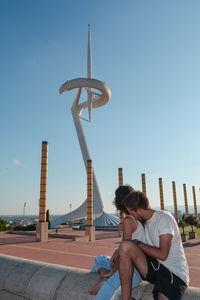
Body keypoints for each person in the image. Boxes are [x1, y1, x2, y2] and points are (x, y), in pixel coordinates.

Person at [118, 188, 189, 300]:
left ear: (139, 211)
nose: (129, 215)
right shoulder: (145, 221)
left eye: (130, 212)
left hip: (174, 272)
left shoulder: (164, 219)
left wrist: (138, 244)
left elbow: (163, 255)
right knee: (125, 246)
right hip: (155, 267)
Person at [89, 185, 145, 300]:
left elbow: (124, 254)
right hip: (133, 265)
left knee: (101, 297)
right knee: (99, 259)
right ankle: (106, 279)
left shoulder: (129, 220)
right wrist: (116, 251)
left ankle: (108, 280)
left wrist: (112, 272)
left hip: (131, 270)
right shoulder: (140, 217)